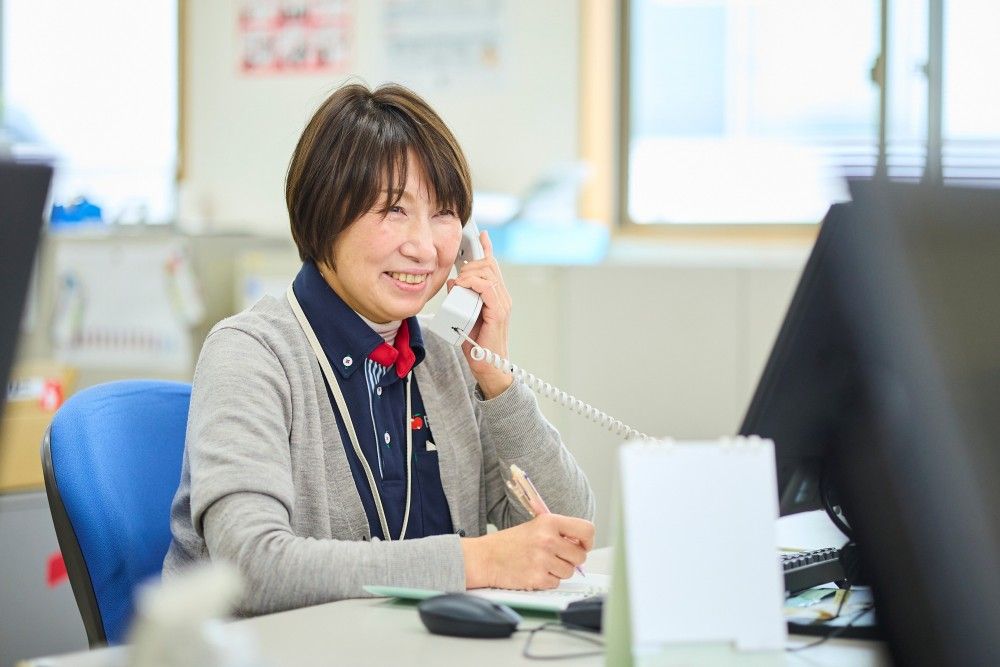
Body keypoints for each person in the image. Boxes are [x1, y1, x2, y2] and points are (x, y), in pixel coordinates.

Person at [163, 82, 596, 616]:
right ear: (325, 213)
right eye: (393, 210)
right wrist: (476, 560)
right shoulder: (251, 354)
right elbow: (249, 569)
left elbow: (566, 530)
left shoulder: (442, 364)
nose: (424, 246)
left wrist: (497, 378)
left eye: (443, 214)